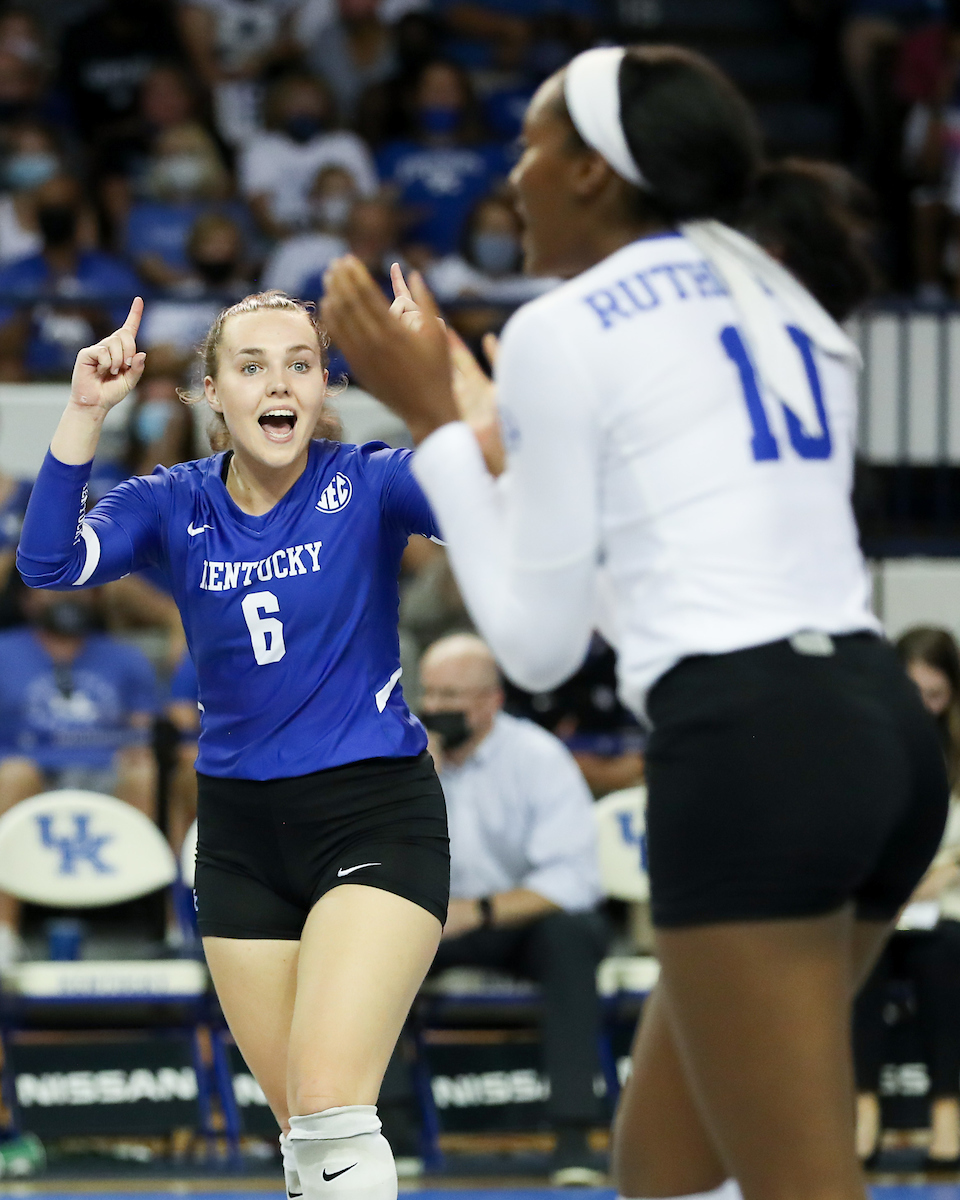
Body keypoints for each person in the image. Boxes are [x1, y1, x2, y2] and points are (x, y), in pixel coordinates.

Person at [321, 44, 951, 1200]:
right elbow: (652, 578)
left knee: (801, 1184)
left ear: (595, 173)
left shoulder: (571, 322)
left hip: (757, 748)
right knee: (662, 1169)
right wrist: (478, 417)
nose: (513, 173)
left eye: (534, 145)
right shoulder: (784, 290)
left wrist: (433, 423)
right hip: (878, 738)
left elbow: (541, 648)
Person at [16, 289, 449, 1200]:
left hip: (373, 814)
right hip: (240, 836)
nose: (278, 381)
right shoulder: (173, 502)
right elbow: (48, 565)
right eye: (250, 365)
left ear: (326, 386)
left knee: (334, 1108)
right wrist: (86, 411)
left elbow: (499, 502)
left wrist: (438, 386)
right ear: (211, 391)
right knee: (299, 1130)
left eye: (300, 362)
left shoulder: (370, 479)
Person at [419, 633, 607, 1184]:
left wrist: (478, 912)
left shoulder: (538, 758)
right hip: (427, 920)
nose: (436, 708)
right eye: (429, 694)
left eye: (451, 695)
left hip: (513, 921)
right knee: (368, 946)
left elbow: (574, 878)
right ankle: (394, 1133)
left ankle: (574, 1139)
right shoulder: (405, 756)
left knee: (574, 935)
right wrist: (416, 778)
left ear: (490, 700)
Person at [0, 585, 159, 967]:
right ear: (28, 600)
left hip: (104, 775)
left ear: (96, 599)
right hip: (31, 775)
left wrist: (138, 750)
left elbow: (144, 733)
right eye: (51, 591)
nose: (65, 599)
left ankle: (169, 928)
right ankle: (4, 932)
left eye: (77, 591)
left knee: (146, 773)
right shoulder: (5, 651)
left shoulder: (126, 657)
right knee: (15, 775)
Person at [854, 625, 960, 1167]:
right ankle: (862, 1108)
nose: (923, 707)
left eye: (936, 696)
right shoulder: (862, 746)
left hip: (944, 904)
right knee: (859, 956)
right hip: (877, 900)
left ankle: (948, 1111)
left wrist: (942, 875)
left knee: (944, 955)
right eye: (912, 692)